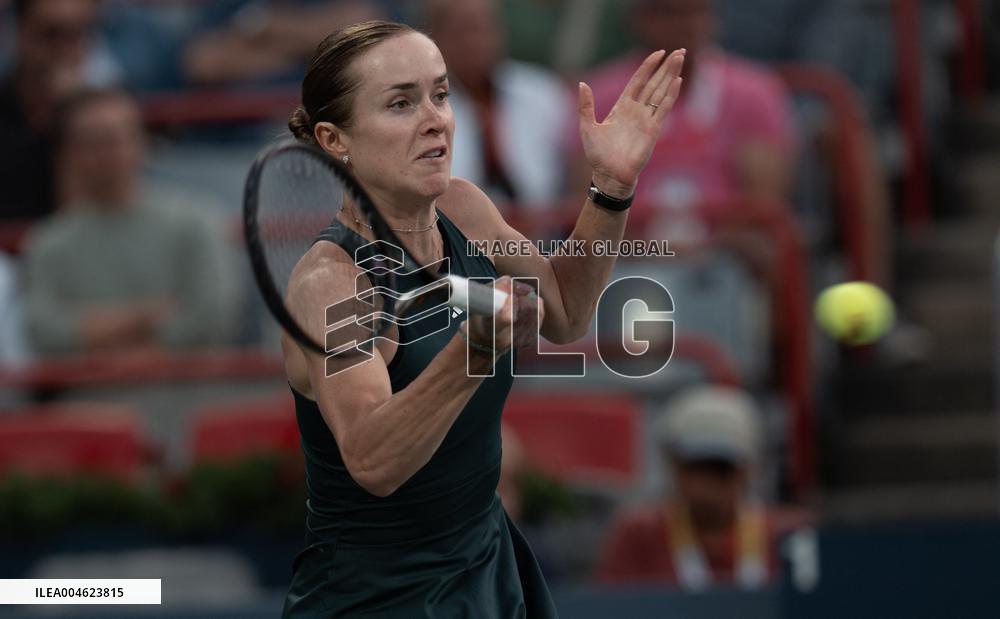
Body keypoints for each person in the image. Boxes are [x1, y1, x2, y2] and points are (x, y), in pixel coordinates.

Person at [280, 19, 684, 617]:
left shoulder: (464, 209)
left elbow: (567, 312)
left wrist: (610, 188)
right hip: (377, 599)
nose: (435, 119)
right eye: (400, 103)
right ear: (335, 140)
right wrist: (471, 355)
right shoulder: (332, 285)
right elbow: (373, 460)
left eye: (440, 94)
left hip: (486, 570)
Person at [21, 88, 240, 356]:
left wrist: (98, 334)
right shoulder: (48, 242)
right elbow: (45, 331)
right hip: (92, 393)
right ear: (70, 153)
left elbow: (212, 315)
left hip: (193, 388)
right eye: (93, 142)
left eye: (115, 139)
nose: (107, 153)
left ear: (141, 142)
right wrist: (145, 317)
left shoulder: (198, 220)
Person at [574, 0, 795, 251]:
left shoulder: (755, 93)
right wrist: (652, 250)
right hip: (629, 256)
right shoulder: (602, 94)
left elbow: (762, 205)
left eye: (696, 13)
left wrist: (705, 249)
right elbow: (588, 204)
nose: (686, 25)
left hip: (723, 257)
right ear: (637, 20)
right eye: (668, 13)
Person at [596, 384, 810, 588]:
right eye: (697, 466)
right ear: (673, 465)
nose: (708, 482)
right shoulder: (638, 537)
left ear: (748, 470)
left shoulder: (790, 537)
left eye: (722, 468)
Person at [424, 0, 573, 211]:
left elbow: (573, 184)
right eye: (462, 31)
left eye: (485, 28)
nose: (475, 41)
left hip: (544, 236)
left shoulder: (543, 93)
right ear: (434, 40)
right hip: (452, 237)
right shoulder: (423, 107)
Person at [0, 0, 118, 222]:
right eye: (52, 34)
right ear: (19, 34)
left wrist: (73, 115)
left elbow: (95, 215)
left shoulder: (106, 113)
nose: (67, 49)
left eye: (79, 33)